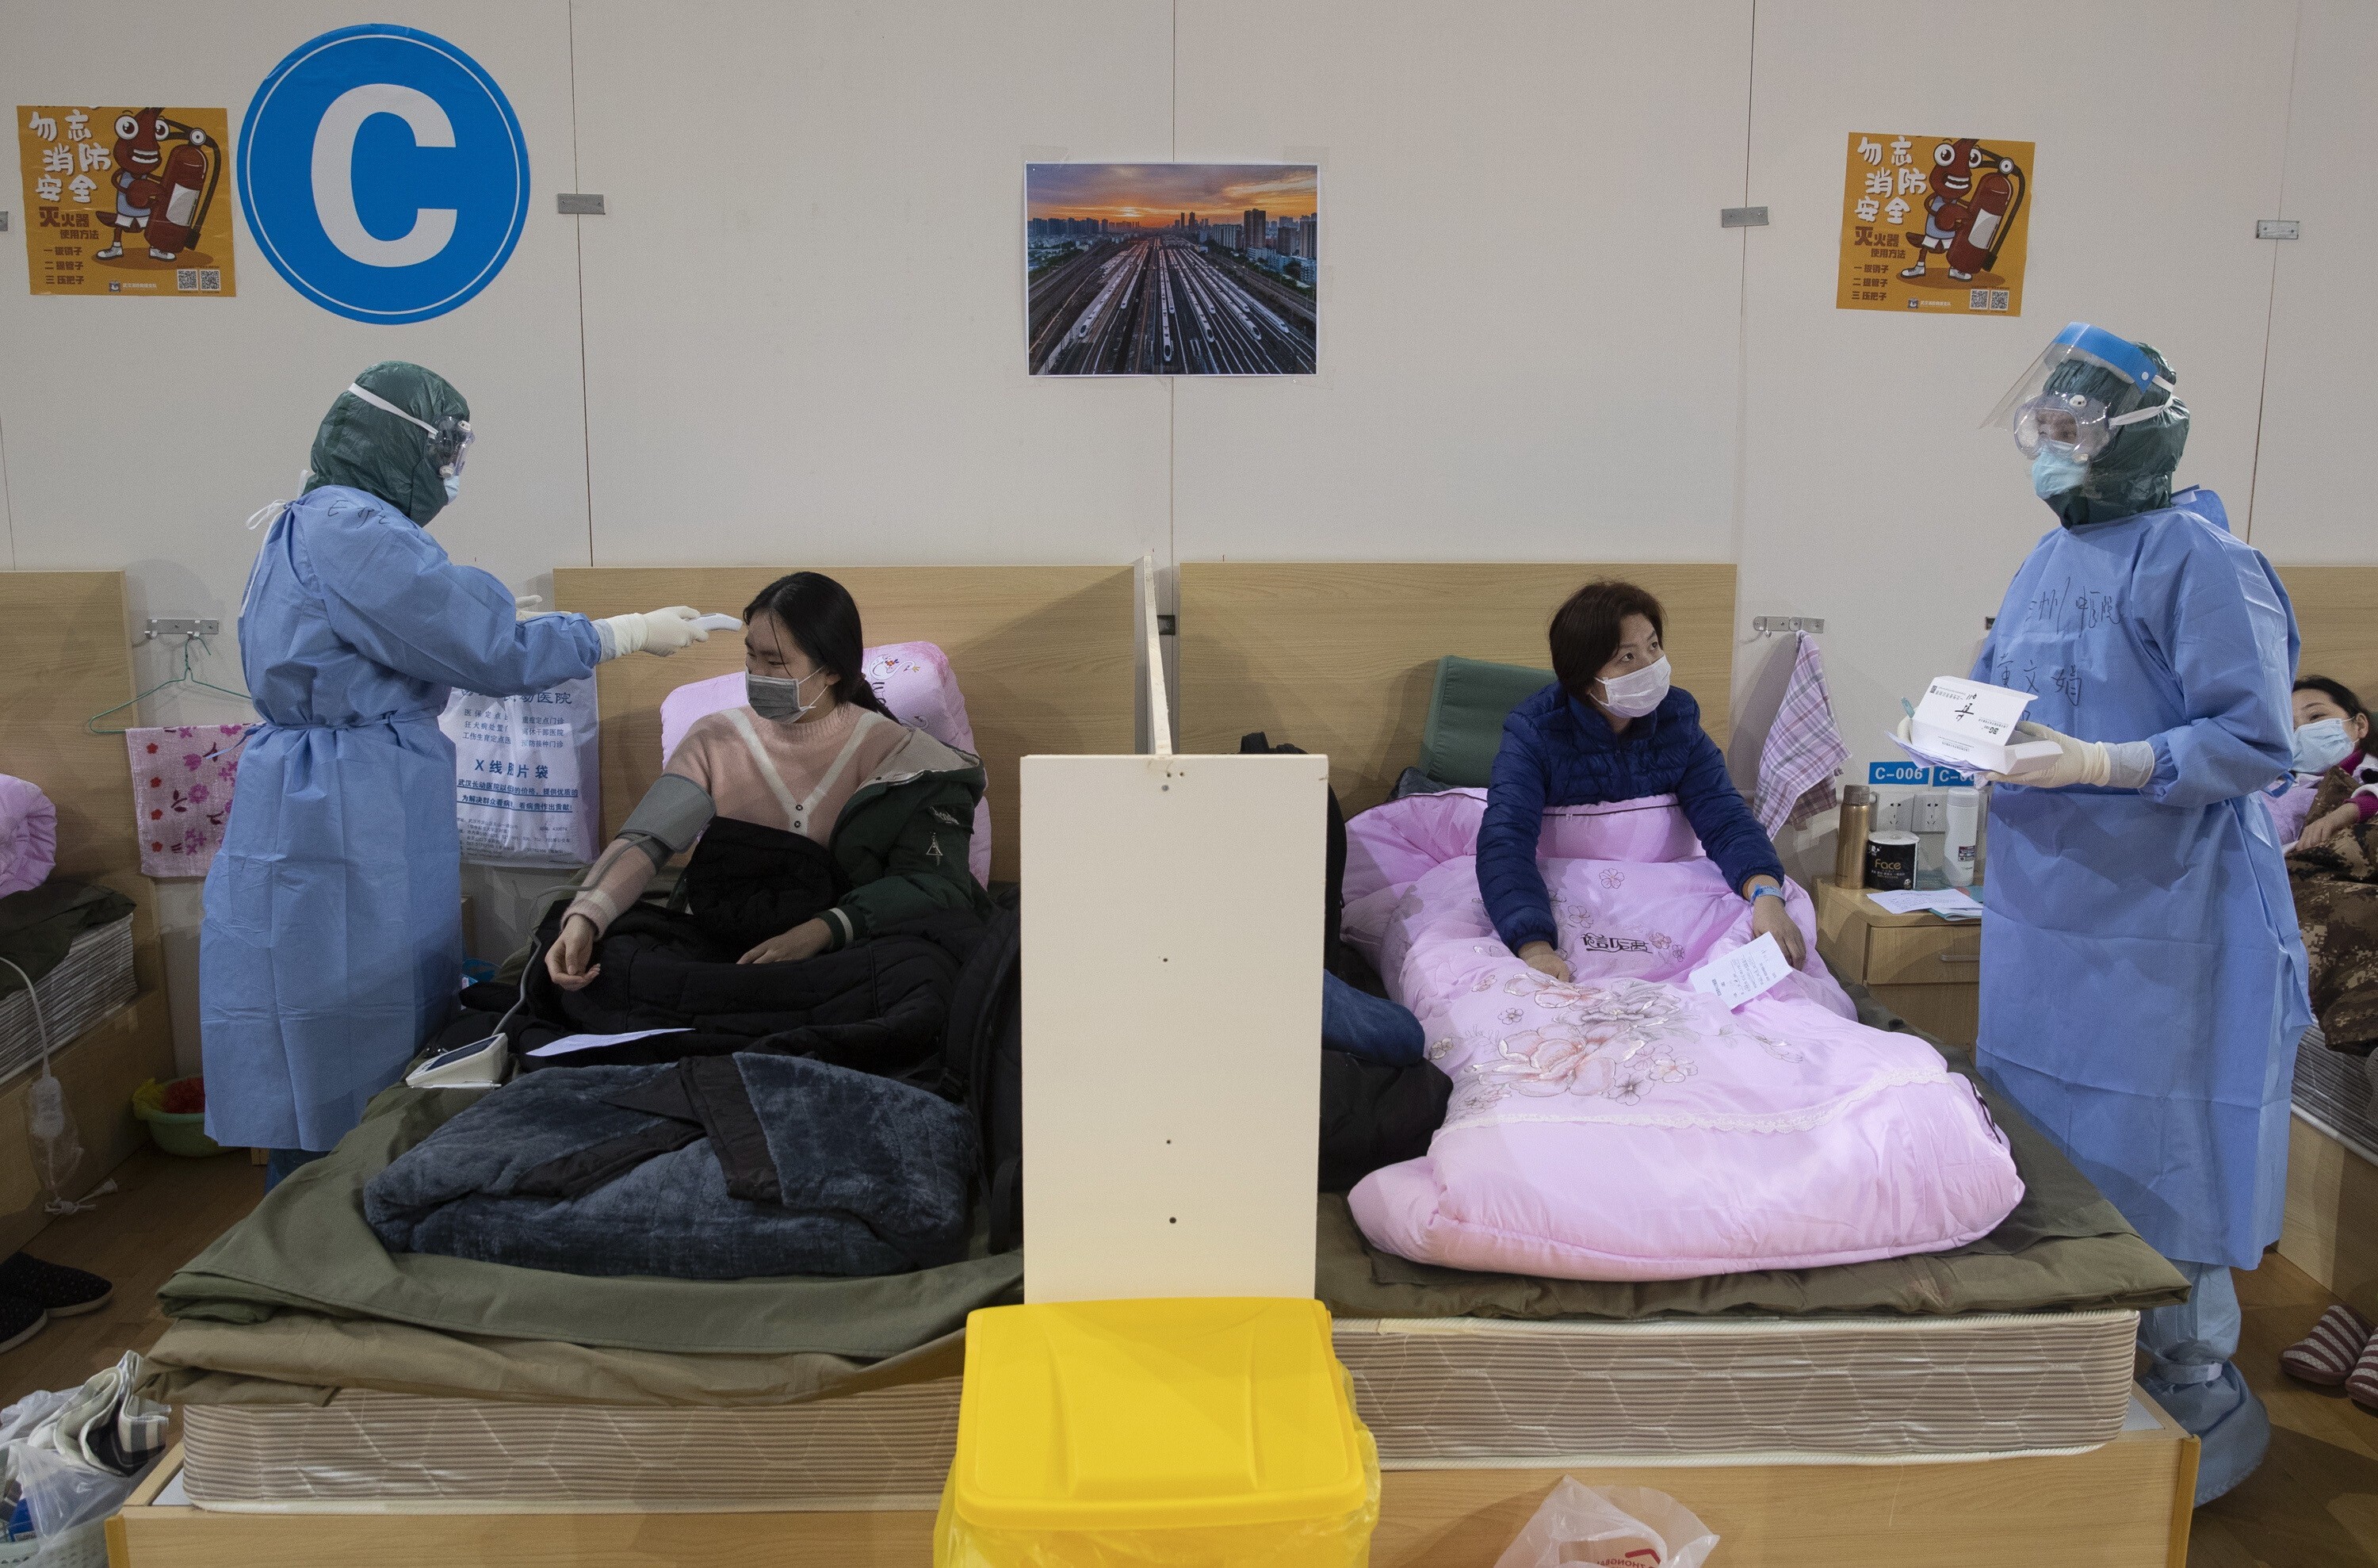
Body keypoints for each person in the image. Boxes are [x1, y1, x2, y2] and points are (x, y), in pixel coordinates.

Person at [203, 363, 713, 1188]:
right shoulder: (357, 533)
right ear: (396, 441)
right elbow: (486, 645)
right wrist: (620, 632)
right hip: (346, 803)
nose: (450, 471)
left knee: (317, 1015)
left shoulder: (310, 518)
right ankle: (334, 1217)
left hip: (311, 791)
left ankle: (318, 1202)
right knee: (349, 1026)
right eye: (445, 448)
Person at [1970, 323, 2308, 1505]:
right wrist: (1972, 738)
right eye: (2043, 430)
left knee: (2168, 1150)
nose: (2051, 452)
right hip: (2043, 910)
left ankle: (2194, 1375)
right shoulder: (2043, 562)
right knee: (2045, 1132)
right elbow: (2006, 684)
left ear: (2135, 436)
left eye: (2072, 431)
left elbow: (2258, 738)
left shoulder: (2200, 557)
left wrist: (2107, 765)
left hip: (2166, 920)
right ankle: (2069, 1351)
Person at [545, 571, 990, 992]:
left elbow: (933, 884)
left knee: (923, 975)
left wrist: (822, 930)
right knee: (583, 941)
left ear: (832, 669)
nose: (757, 674)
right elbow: (647, 841)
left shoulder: (904, 759)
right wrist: (585, 918)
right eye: (750, 656)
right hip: (732, 944)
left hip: (849, 950)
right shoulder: (715, 740)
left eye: (775, 661)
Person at [1478, 579, 1803, 985]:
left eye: (1653, 646)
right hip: (1571, 895)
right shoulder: (1535, 732)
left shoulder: (1678, 718)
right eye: (1626, 657)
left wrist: (1766, 896)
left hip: (1665, 892)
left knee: (1778, 942)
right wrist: (1535, 947)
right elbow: (1506, 840)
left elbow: (1725, 816)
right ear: (1583, 677)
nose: (1649, 666)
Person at [2291, 677, 2377, 851]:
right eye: (2289, 727)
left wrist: (2353, 809)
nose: (2301, 732)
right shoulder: (2270, 792)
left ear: (2359, 725)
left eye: (2316, 716)